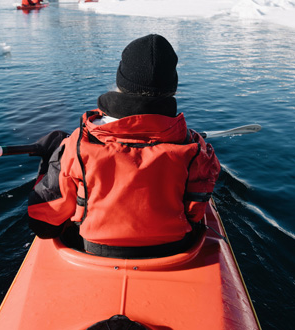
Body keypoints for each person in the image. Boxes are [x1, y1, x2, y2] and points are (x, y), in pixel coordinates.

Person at [27, 34, 220, 258]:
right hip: (174, 248)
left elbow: (42, 224)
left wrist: (50, 159)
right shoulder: (195, 147)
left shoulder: (79, 144)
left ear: (121, 81)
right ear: (172, 87)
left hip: (97, 250)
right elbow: (196, 213)